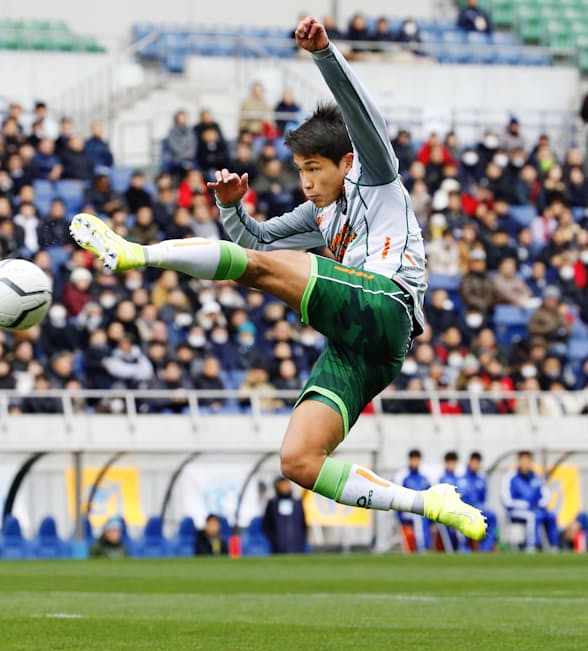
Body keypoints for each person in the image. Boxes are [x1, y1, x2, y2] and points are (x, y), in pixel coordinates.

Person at [69, 16, 486, 544]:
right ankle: (427, 501)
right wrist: (229, 208)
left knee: (264, 277)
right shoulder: (317, 215)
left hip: (389, 305)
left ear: (347, 161)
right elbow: (254, 246)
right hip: (365, 350)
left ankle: (136, 254)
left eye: (315, 168)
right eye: (300, 170)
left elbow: (365, 120)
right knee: (299, 460)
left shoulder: (378, 179)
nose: (306, 182)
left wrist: (324, 54)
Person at [502, 451, 559, 552]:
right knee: (532, 516)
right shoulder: (510, 478)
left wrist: (539, 504)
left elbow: (546, 495)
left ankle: (554, 546)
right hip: (516, 511)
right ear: (519, 462)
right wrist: (524, 505)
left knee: (551, 515)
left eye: (528, 461)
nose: (525, 464)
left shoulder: (537, 477)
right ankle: (531, 546)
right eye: (523, 461)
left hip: (536, 509)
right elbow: (506, 500)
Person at [456, 452, 497, 552]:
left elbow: (483, 498)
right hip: (464, 508)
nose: (475, 464)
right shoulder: (461, 479)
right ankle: (464, 547)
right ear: (469, 462)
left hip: (479, 508)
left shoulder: (482, 480)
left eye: (477, 462)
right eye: (473, 462)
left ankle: (486, 548)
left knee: (492, 516)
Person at [395, 450, 432, 552]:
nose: (415, 462)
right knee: (418, 517)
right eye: (413, 459)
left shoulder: (425, 478)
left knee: (424, 516)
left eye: (417, 459)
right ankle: (420, 547)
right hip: (407, 511)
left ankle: (427, 546)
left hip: (422, 512)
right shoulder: (403, 477)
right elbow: (397, 497)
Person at [262, 477, 308, 553]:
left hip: (298, 547)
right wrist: (273, 539)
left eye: (286, 484)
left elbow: (303, 524)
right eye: (282, 485)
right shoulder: (273, 504)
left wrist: (302, 539)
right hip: (278, 548)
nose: (285, 487)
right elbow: (266, 524)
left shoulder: (297, 503)